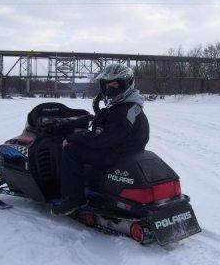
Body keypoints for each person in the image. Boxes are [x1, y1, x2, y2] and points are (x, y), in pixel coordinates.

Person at [51, 63, 149, 215]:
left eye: (115, 85)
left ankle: (74, 198)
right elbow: (108, 133)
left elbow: (101, 140)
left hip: (115, 154)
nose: (110, 90)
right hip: (124, 149)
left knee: (71, 151)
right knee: (83, 145)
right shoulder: (129, 105)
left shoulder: (123, 111)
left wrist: (73, 137)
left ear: (127, 85)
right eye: (107, 85)